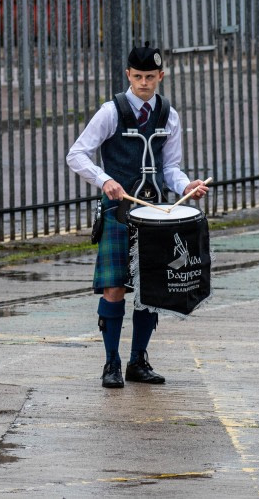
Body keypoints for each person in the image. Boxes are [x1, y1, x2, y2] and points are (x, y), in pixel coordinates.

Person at [66, 43, 209, 389]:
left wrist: (187, 184)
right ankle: (111, 362)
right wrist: (105, 180)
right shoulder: (110, 112)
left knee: (150, 289)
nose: (144, 83)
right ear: (128, 75)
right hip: (120, 212)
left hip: (155, 214)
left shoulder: (168, 115)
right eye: (138, 76)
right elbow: (76, 154)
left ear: (161, 76)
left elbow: (169, 167)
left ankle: (138, 361)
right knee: (115, 287)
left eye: (150, 77)